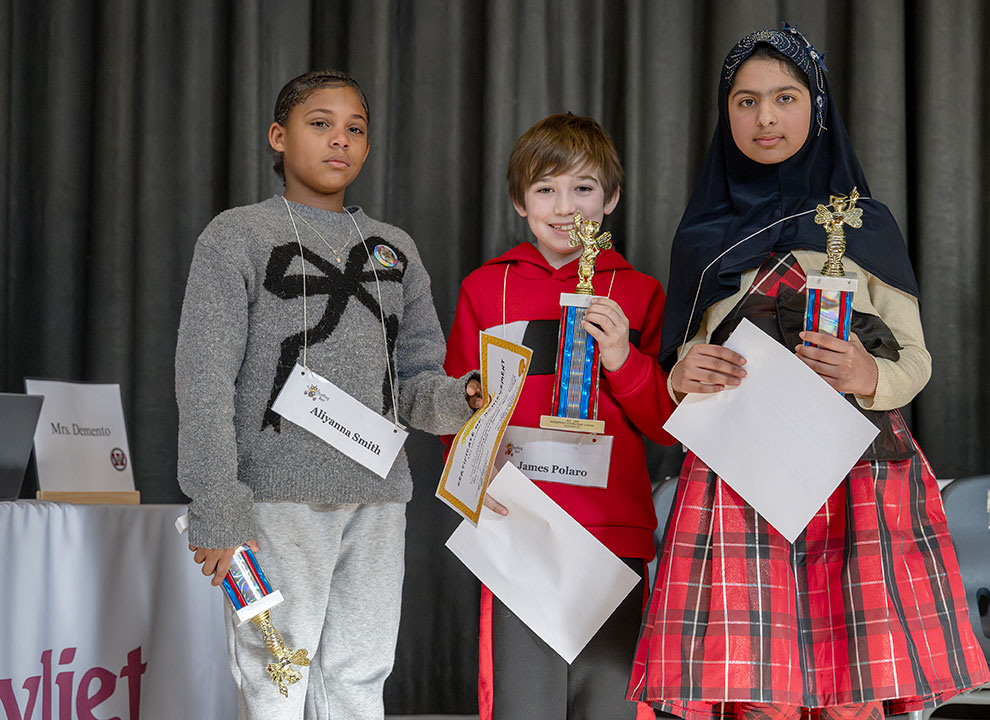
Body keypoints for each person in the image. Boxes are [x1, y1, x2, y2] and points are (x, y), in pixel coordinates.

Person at [627, 25, 990, 720]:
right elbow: (681, 363)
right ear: (725, 113)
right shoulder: (702, 234)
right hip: (739, 485)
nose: (764, 117)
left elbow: (914, 362)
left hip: (855, 483)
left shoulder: (867, 224)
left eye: (784, 98)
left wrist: (866, 370)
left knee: (850, 683)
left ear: (815, 108)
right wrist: (679, 374)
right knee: (756, 689)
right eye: (745, 101)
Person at [175, 69, 482, 720]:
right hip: (275, 502)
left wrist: (466, 397)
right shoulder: (237, 236)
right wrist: (218, 509)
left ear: (368, 147)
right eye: (320, 124)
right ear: (279, 137)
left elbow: (417, 381)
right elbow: (203, 380)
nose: (339, 139)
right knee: (277, 674)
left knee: (358, 677)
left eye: (355, 129)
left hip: (376, 498)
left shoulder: (394, 249)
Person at [444, 112, 677, 720]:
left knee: (612, 703)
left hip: (612, 534)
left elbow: (664, 422)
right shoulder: (483, 289)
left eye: (583, 188)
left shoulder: (641, 292)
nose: (564, 205)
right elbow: (454, 404)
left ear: (612, 199)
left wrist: (624, 357)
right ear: (520, 201)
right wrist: (472, 464)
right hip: (518, 529)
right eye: (546, 188)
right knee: (526, 704)